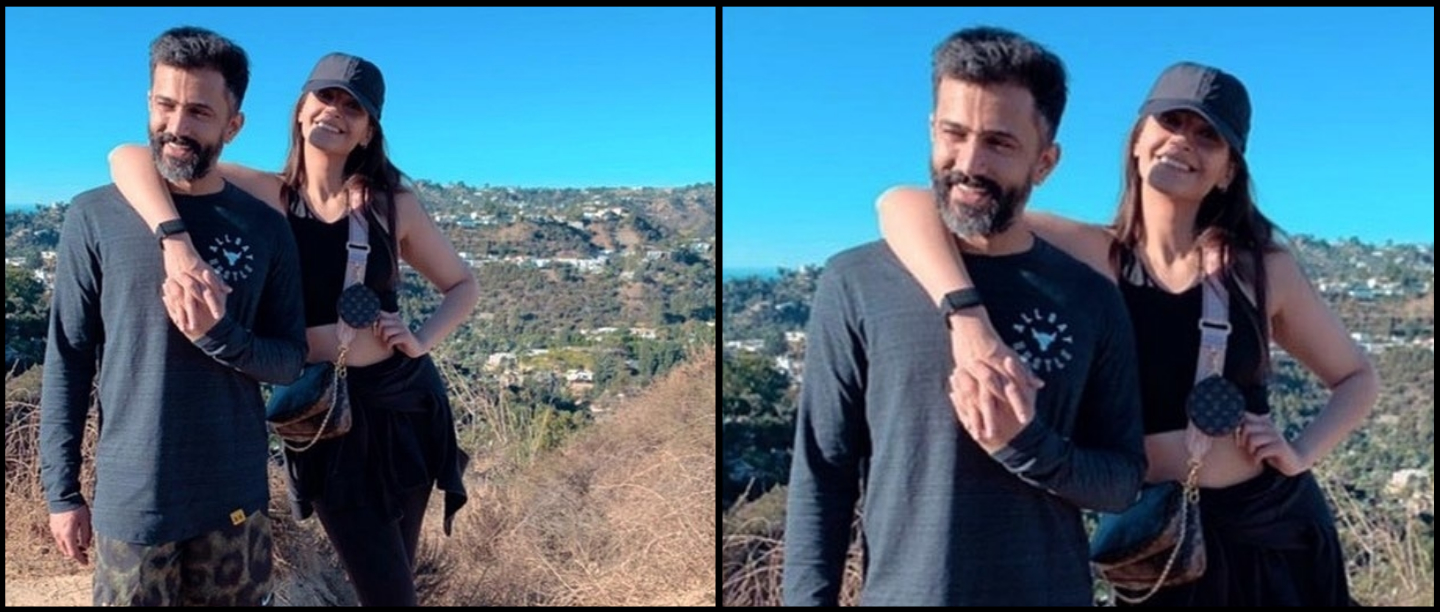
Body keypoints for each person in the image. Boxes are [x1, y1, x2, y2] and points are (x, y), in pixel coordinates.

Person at [877, 60, 1377, 606]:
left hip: (1272, 532)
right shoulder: (1091, 252)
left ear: (1228, 170)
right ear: (1138, 140)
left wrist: (1301, 451)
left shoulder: (1261, 269)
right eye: (1171, 121)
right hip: (1158, 545)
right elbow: (905, 203)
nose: (1183, 141)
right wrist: (967, 319)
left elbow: (1356, 377)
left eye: (1208, 135)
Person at [782, 26, 1147, 607]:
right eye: (954, 134)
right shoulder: (855, 281)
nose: (968, 163)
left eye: (1000, 143)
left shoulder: (1089, 299)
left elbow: (1123, 480)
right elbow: (821, 474)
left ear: (1045, 163)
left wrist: (1027, 445)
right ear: (932, 131)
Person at [108, 51, 479, 607]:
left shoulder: (391, 206)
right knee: (385, 585)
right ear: (301, 108)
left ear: (368, 130)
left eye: (353, 107)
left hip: (406, 406)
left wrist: (421, 338)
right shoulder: (261, 193)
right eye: (325, 96)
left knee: (395, 571)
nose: (336, 111)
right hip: (325, 418)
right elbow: (129, 156)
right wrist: (175, 242)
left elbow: (463, 286)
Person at [40, 26, 307, 606]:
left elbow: (288, 361)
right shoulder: (95, 216)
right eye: (165, 105)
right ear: (148, 103)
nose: (177, 127)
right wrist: (61, 492)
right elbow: (68, 358)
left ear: (233, 126)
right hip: (132, 500)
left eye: (199, 112)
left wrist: (221, 337)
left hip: (234, 500)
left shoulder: (265, 230)